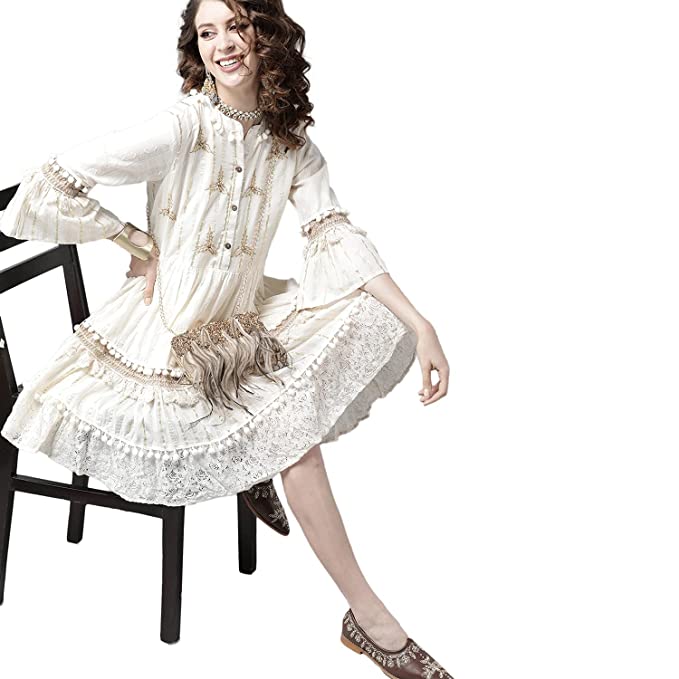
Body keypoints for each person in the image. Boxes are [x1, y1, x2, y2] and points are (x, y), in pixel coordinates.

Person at [0, 0, 452, 676]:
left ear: (266, 34)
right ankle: (370, 619)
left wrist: (421, 323)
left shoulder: (289, 140)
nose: (222, 45)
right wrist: (133, 239)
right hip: (167, 337)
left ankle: (262, 474)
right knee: (298, 442)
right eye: (206, 33)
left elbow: (332, 232)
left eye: (236, 26)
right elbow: (53, 180)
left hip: (242, 322)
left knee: (365, 315)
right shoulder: (183, 125)